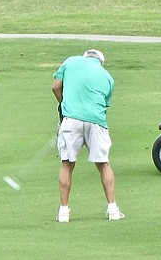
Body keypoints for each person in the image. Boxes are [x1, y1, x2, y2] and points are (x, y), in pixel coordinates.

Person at [52, 48, 123, 223]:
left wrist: (64, 105)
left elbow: (55, 87)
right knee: (103, 164)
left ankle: (63, 213)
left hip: (71, 121)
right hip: (96, 122)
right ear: (101, 62)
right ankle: (113, 210)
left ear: (85, 57)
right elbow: (103, 104)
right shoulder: (107, 77)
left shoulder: (70, 61)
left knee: (67, 164)